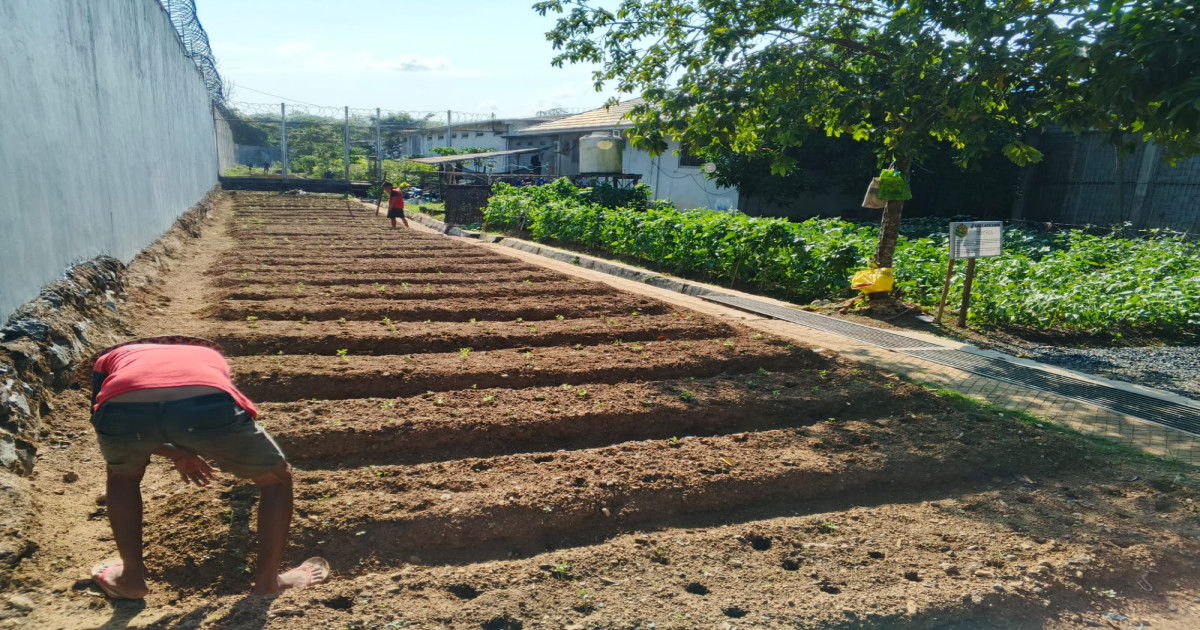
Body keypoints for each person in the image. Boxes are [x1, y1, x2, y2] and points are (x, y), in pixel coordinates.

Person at [85, 337, 329, 599]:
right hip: (203, 404)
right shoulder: (208, 355)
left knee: (122, 475)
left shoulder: (109, 359)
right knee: (276, 480)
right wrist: (210, 451)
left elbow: (103, 418)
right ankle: (267, 582)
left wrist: (175, 453)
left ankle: (131, 580)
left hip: (122, 409)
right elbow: (218, 410)